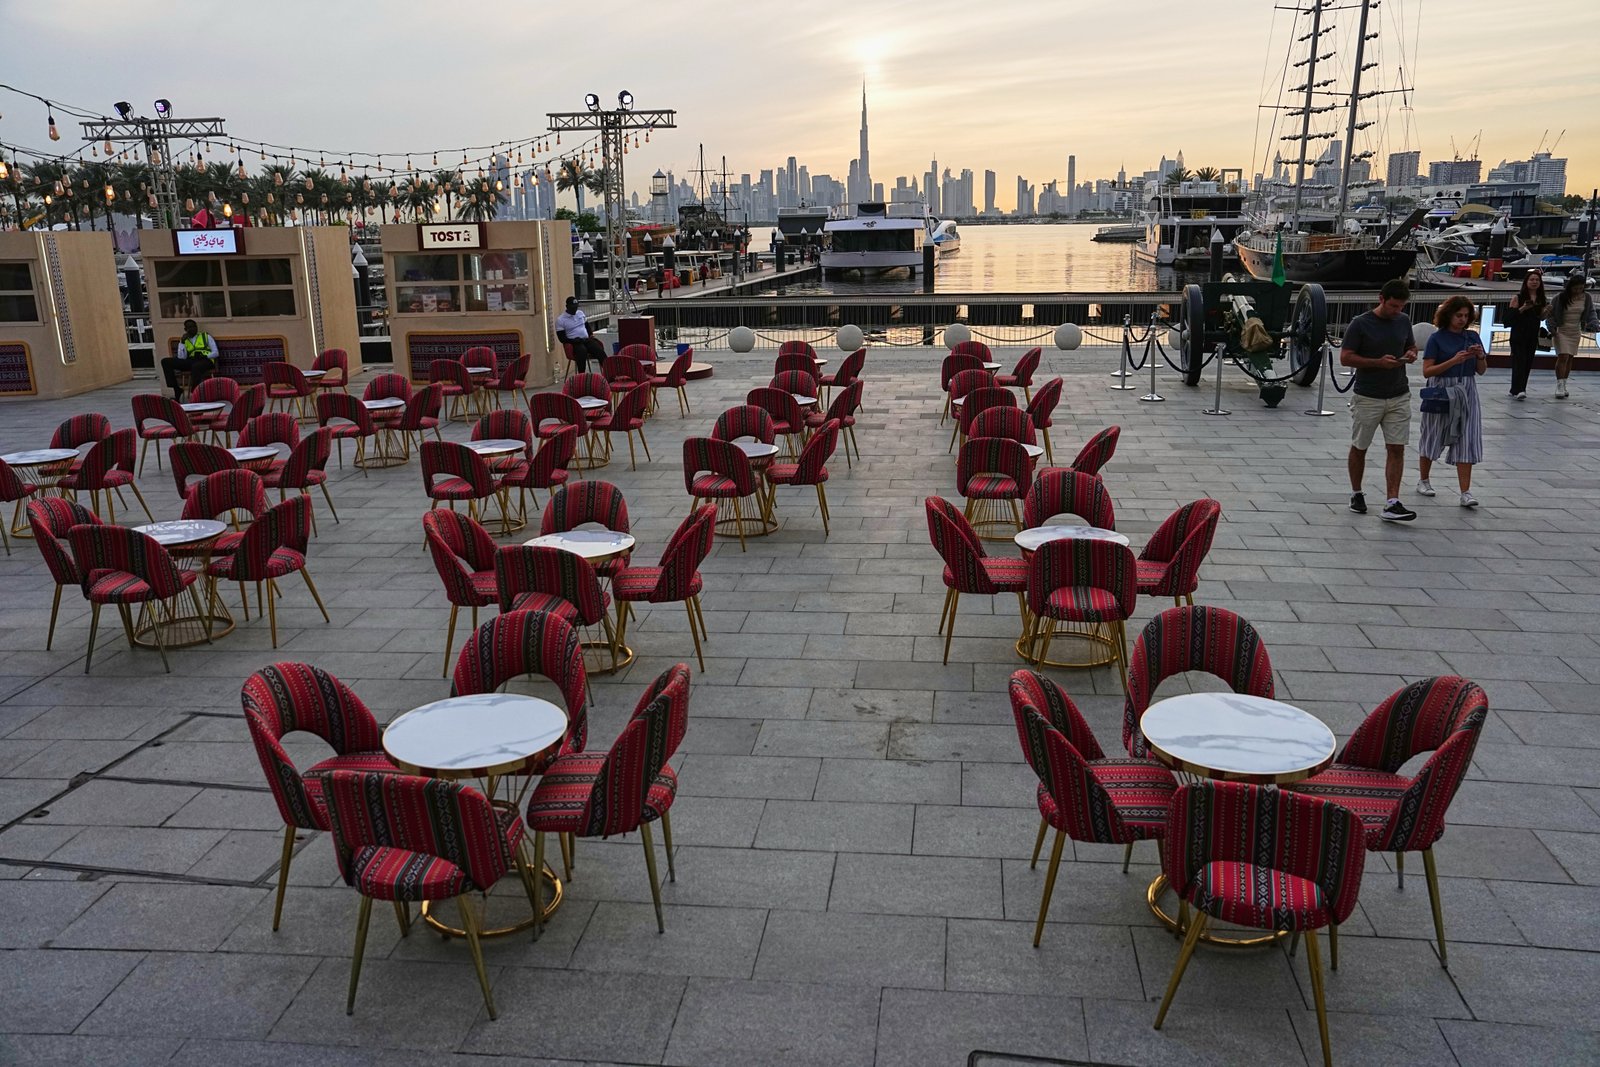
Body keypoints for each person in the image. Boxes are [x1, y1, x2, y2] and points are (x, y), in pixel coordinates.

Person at [1340, 278, 1418, 522]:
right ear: (1381, 299)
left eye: (1401, 307)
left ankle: (1392, 501)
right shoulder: (1360, 324)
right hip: (1368, 395)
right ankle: (1356, 492)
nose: (1397, 311)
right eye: (1393, 306)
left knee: (1396, 447)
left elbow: (1411, 345)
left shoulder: (1404, 321)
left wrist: (1411, 354)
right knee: (1360, 446)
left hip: (1398, 393)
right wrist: (1377, 363)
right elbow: (1345, 357)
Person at [1417, 295, 1487, 507]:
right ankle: (1424, 479)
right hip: (1442, 387)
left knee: (1467, 437)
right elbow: (1427, 371)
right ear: (1448, 315)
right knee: (1433, 433)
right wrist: (1453, 360)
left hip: (1466, 389)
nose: (1463, 320)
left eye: (1466, 316)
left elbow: (1481, 371)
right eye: (1459, 315)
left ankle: (1465, 491)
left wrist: (1480, 356)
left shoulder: (1472, 337)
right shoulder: (1436, 338)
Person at [1546, 275, 1599, 399]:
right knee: (1563, 355)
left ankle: (1564, 383)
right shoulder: (1559, 298)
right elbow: (1551, 314)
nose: (1577, 291)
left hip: (1575, 330)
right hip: (1561, 330)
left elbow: (1591, 312)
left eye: (1580, 288)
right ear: (1570, 287)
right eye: (1575, 288)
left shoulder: (1586, 298)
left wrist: (1594, 323)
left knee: (1570, 357)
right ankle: (1559, 384)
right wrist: (1552, 327)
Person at [1504, 270, 1547, 399]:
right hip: (1519, 333)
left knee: (1528, 361)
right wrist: (1523, 308)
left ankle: (1516, 388)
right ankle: (1520, 389)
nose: (1534, 282)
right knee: (1519, 360)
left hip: (1532, 334)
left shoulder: (1541, 299)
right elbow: (1508, 319)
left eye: (1537, 280)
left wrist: (1546, 312)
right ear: (1526, 282)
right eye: (1531, 280)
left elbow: (1540, 317)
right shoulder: (1518, 297)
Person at [161, 319, 217, 399]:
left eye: (194, 326)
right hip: (191, 360)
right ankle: (176, 389)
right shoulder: (184, 340)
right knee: (165, 362)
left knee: (196, 366)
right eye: (190, 327)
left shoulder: (206, 336)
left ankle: (194, 392)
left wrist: (205, 356)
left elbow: (216, 353)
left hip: (206, 360)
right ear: (185, 329)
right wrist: (182, 343)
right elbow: (181, 357)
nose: (193, 328)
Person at [554, 296, 603, 374]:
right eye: (572, 308)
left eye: (576, 307)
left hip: (586, 339)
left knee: (598, 349)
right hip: (574, 342)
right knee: (582, 351)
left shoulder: (580, 313)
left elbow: (587, 326)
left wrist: (590, 335)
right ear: (567, 307)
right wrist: (573, 341)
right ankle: (581, 374)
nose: (575, 309)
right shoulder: (561, 320)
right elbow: (562, 338)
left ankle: (608, 371)